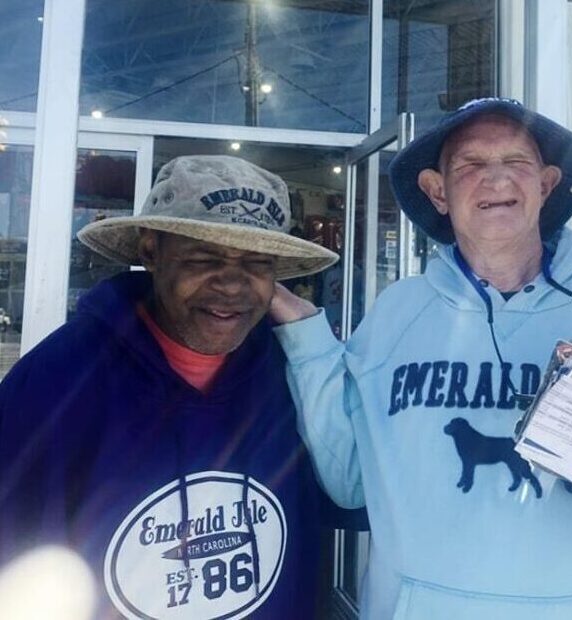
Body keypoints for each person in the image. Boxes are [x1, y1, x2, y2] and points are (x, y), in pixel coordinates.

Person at [269, 98, 572, 619]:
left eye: (517, 162)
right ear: (437, 192)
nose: (496, 180)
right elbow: (348, 480)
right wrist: (305, 332)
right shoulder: (397, 311)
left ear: (547, 183)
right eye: (470, 165)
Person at [0, 155, 341, 619]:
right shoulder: (58, 381)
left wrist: (311, 338)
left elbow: (354, 500)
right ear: (151, 252)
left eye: (258, 264)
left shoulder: (292, 374)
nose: (232, 285)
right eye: (204, 258)